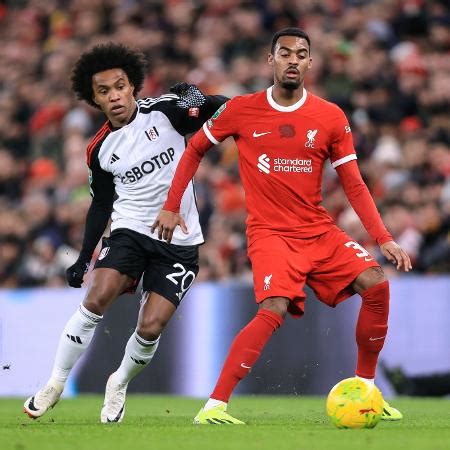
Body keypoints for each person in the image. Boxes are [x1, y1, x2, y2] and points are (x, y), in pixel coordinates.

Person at [152, 27, 412, 425]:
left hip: (319, 230)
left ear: (310, 62)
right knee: (272, 308)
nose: (293, 59)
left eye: (301, 54)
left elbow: (354, 183)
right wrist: (171, 207)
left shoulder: (330, 116)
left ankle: (367, 390)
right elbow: (194, 150)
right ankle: (214, 406)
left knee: (376, 284)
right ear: (270, 60)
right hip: (271, 234)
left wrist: (384, 238)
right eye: (285, 53)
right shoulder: (240, 109)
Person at [23, 43, 227, 423]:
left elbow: (220, 107)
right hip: (130, 230)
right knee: (97, 297)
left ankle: (118, 382)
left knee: (151, 326)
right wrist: (83, 258)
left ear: (133, 87)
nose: (114, 96)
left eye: (120, 86)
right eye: (104, 91)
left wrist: (194, 94)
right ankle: (55, 383)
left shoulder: (165, 112)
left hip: (179, 240)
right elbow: (101, 206)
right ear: (94, 99)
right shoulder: (100, 149)